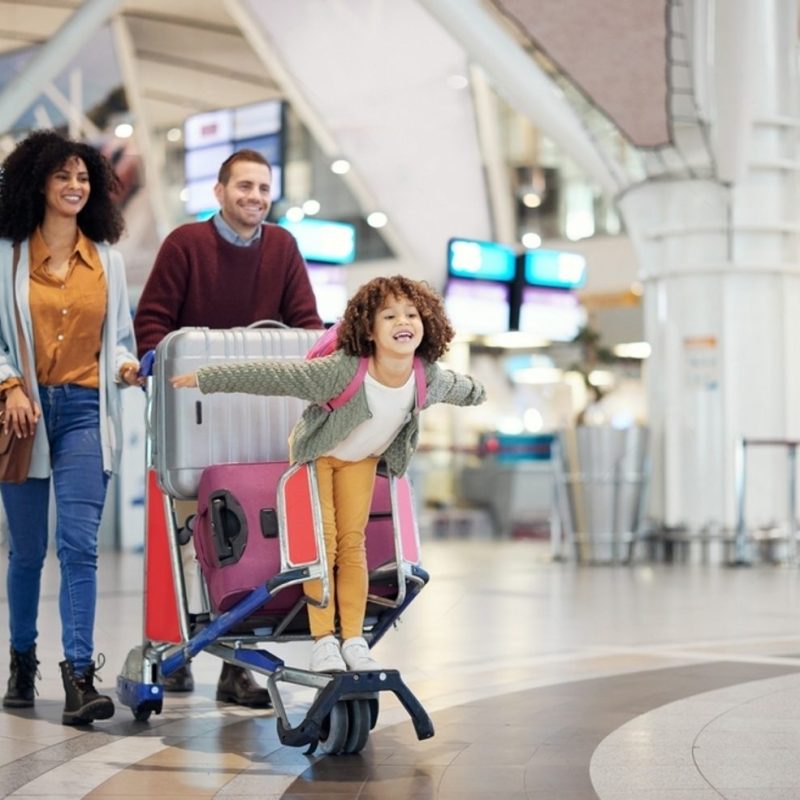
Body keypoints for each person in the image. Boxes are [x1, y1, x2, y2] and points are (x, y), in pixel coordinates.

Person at [172, 275, 486, 672]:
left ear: (427, 324)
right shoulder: (342, 371)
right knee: (322, 545)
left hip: (361, 459)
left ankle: (352, 639)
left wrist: (479, 392)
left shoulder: (427, 376)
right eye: (388, 315)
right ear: (368, 330)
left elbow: (462, 387)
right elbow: (274, 377)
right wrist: (206, 378)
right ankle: (323, 641)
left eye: (411, 314)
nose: (402, 321)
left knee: (353, 546)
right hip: (319, 456)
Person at [134, 149, 322, 705]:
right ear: (219, 192)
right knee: (185, 540)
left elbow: (306, 325)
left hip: (256, 416)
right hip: (192, 417)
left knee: (240, 541)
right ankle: (170, 644)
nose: (255, 198)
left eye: (264, 188)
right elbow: (151, 324)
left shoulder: (283, 247)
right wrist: (152, 360)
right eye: (244, 186)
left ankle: (232, 664)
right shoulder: (185, 245)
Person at [0, 130, 143, 725]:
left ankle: (81, 677)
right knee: (28, 552)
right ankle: (22, 661)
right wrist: (8, 385)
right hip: (22, 415)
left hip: (85, 411)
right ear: (39, 182)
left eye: (84, 178)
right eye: (64, 176)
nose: (76, 186)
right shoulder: (7, 256)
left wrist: (129, 367)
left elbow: (119, 341)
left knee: (78, 547)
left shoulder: (106, 260)